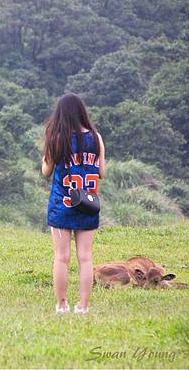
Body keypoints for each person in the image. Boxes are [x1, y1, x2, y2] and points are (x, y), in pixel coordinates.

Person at [41, 92, 105, 315]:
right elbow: (101, 173)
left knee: (61, 257)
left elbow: (46, 172)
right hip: (87, 205)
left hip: (62, 204)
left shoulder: (57, 138)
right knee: (85, 258)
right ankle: (83, 306)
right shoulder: (96, 138)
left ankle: (61, 305)